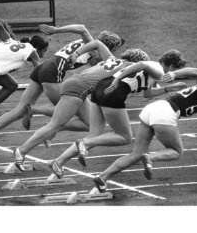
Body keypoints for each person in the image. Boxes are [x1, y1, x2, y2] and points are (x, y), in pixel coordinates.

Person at [0, 24, 125, 152]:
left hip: (43, 67)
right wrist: (55, 30)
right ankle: (36, 114)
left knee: (20, 108)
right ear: (108, 46)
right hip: (52, 72)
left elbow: (93, 62)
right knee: (85, 120)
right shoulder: (93, 45)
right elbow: (82, 28)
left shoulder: (90, 46)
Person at [92, 67, 197, 192]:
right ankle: (151, 158)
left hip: (153, 108)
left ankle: (103, 177)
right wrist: (174, 74)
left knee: (136, 154)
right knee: (176, 151)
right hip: (166, 112)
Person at [47, 49, 188, 178]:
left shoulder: (154, 69)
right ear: (171, 67)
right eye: (175, 71)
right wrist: (117, 80)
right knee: (124, 137)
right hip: (114, 90)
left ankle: (58, 162)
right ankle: (84, 143)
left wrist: (169, 89)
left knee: (95, 135)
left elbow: (148, 93)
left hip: (101, 87)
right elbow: (140, 65)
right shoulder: (159, 71)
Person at [13, 40, 150, 171]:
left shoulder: (112, 58)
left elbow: (97, 43)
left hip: (76, 84)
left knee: (91, 127)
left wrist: (76, 54)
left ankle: (58, 162)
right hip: (78, 88)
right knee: (54, 125)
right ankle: (22, 150)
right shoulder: (130, 67)